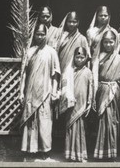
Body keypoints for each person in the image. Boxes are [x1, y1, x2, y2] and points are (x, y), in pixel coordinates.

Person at [19, 23, 61, 162]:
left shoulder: (51, 52)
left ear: (46, 35)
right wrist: (21, 92)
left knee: (44, 123)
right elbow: (24, 74)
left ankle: (45, 150)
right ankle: (30, 150)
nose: (40, 37)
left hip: (45, 93)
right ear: (34, 35)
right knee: (31, 122)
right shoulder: (29, 51)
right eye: (38, 34)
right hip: (30, 93)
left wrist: (54, 92)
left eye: (43, 34)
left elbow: (56, 74)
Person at [92, 30, 120, 161]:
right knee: (101, 122)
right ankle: (100, 152)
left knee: (112, 121)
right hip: (101, 90)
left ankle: (111, 152)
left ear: (115, 42)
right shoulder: (98, 57)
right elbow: (94, 76)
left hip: (114, 92)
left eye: (111, 42)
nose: (108, 44)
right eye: (105, 42)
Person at [58, 47, 93, 162]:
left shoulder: (88, 72)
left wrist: (89, 102)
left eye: (82, 57)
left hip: (82, 105)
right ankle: (70, 154)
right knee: (70, 128)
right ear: (74, 58)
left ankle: (80, 154)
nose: (79, 59)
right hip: (71, 104)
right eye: (77, 57)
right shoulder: (69, 72)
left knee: (80, 129)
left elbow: (91, 88)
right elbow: (63, 86)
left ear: (86, 58)